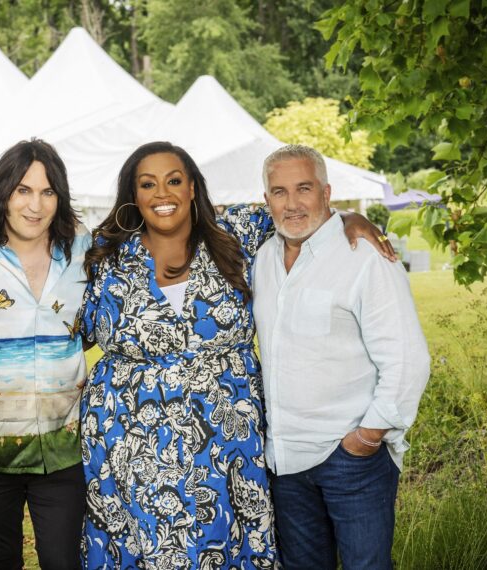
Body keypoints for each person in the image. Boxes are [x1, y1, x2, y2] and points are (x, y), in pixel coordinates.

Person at [78, 141, 392, 568]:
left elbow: (301, 211)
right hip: (131, 442)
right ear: (134, 196)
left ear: (192, 187)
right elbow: (76, 331)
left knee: (225, 546)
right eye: (147, 184)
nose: (162, 194)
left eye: (174, 180)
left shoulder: (237, 233)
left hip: (226, 442)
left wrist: (351, 217)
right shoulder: (109, 254)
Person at [252, 145, 431, 569]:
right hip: (285, 461)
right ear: (266, 201)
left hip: (351, 460)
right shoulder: (261, 260)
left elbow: (408, 359)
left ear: (327, 192)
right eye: (279, 192)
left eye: (304, 188)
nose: (292, 203)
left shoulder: (366, 258)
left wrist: (366, 439)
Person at [0, 139, 89, 569]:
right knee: (0, 560)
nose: (35, 205)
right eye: (23, 190)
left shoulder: (84, 251)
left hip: (65, 448)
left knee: (63, 561)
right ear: (3, 192)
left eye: (47, 192)